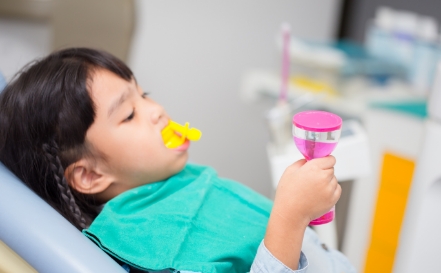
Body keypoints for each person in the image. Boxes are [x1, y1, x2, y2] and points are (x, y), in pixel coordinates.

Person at [0, 48, 356, 273]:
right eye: (128, 114)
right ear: (90, 176)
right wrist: (290, 218)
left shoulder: (168, 186)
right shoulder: (155, 245)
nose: (156, 111)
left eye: (145, 95)